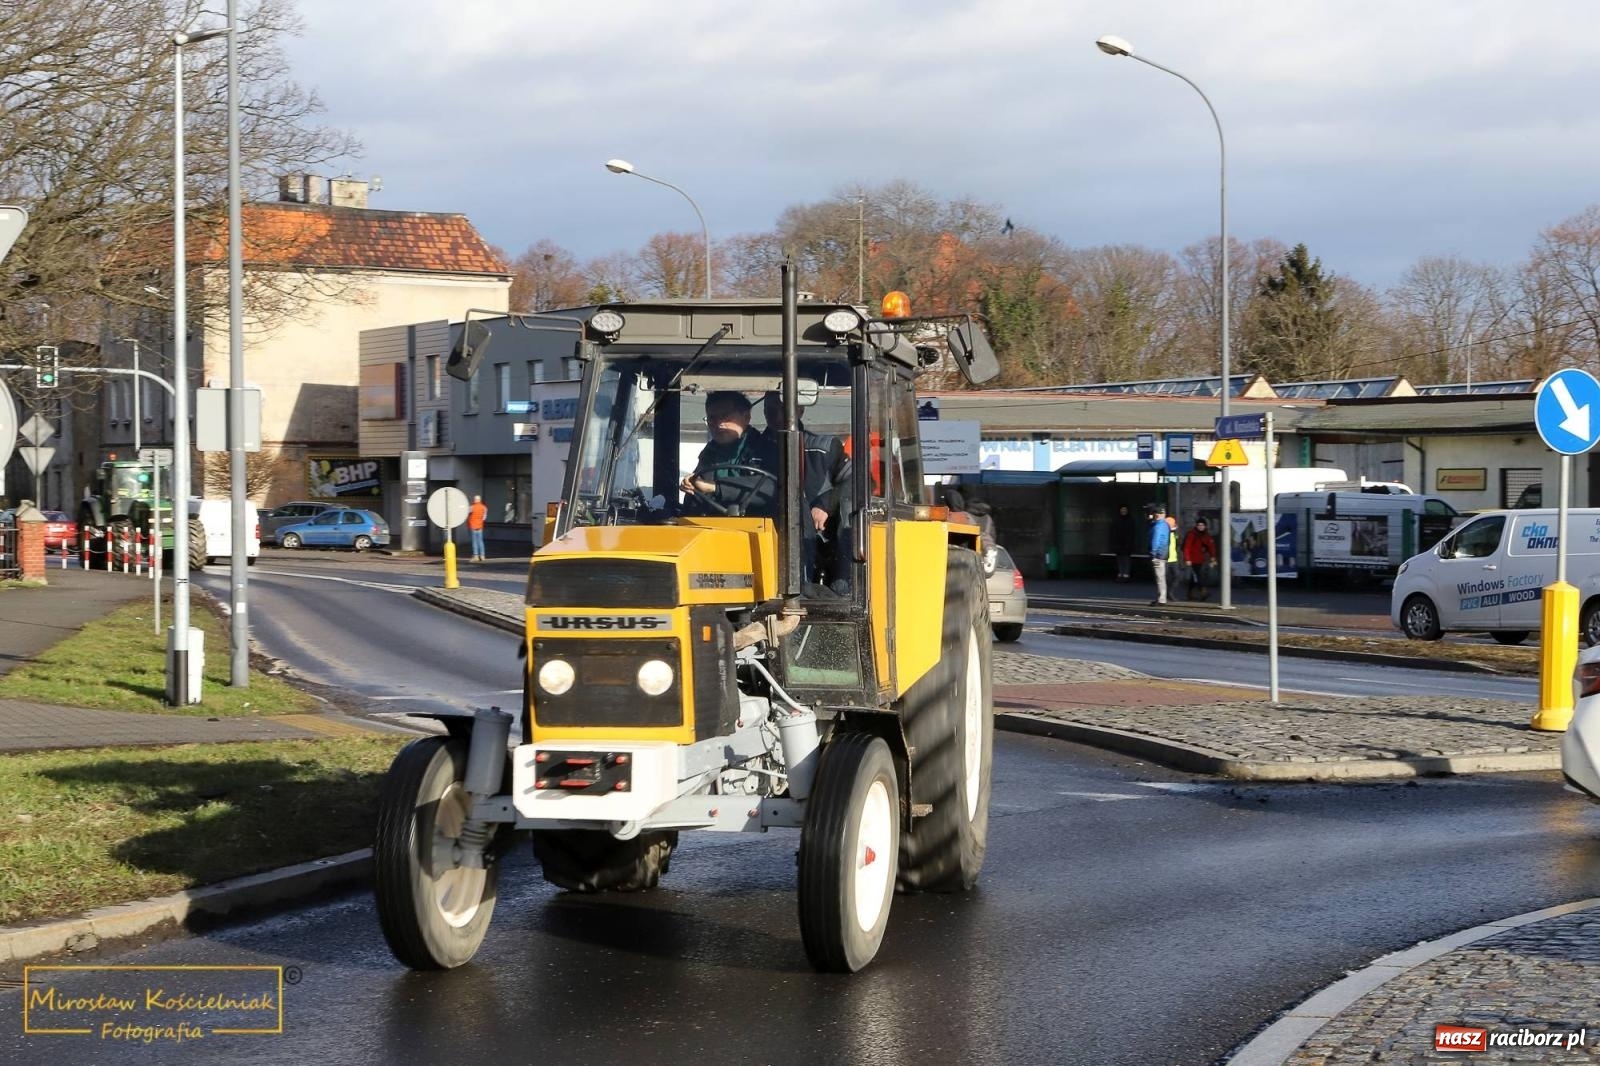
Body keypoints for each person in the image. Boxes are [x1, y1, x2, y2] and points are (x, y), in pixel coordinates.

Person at [761, 392, 850, 587]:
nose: (776, 415)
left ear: (800, 410)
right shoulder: (751, 449)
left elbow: (856, 480)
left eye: (782, 409)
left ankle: (833, 585)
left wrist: (825, 505)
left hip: (813, 537)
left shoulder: (824, 449)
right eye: (770, 410)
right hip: (760, 531)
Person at [682, 391, 779, 515]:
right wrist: (690, 485)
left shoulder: (766, 448)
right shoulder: (709, 454)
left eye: (725, 416)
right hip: (711, 523)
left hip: (758, 522)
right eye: (712, 418)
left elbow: (772, 488)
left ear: (746, 417)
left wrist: (715, 487)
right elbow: (696, 501)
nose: (719, 424)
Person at [1181, 517, 1218, 601]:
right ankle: (1203, 591)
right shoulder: (1192, 534)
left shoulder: (1206, 535)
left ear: (1205, 526)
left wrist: (1213, 557)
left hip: (1201, 559)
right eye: (1199, 525)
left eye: (1202, 525)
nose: (1200, 527)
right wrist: (1187, 559)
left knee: (1194, 577)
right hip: (1193, 559)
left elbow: (1211, 547)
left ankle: (1190, 593)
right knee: (1198, 575)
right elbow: (1187, 547)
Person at [1148, 504, 1172, 604]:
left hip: (1158, 554)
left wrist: (1153, 553)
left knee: (1160, 578)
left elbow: (1155, 540)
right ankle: (1162, 598)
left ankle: (1161, 599)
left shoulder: (1158, 526)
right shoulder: (1165, 525)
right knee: (1161, 577)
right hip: (1164, 553)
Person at [1110, 504, 1139, 582]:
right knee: (1120, 559)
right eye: (1122, 510)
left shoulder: (1130, 520)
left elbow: (1132, 533)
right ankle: (1121, 573)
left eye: (1125, 510)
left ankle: (1126, 574)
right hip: (1118, 543)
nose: (1123, 511)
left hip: (1127, 543)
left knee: (1126, 559)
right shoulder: (1117, 520)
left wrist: (1130, 543)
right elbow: (1113, 532)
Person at [466, 494, 488, 561]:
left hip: (473, 526)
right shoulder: (484, 508)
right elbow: (484, 518)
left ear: (475, 500)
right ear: (480, 500)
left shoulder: (472, 507)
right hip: (480, 526)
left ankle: (476, 556)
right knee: (480, 541)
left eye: (474, 499)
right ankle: (482, 556)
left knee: (474, 541)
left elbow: (467, 513)